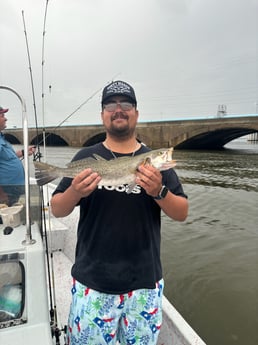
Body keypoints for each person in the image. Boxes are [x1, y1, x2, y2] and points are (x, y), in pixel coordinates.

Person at [51, 80, 188, 345]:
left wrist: (159, 191)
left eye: (126, 104)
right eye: (110, 105)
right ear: (103, 114)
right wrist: (76, 191)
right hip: (93, 281)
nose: (118, 109)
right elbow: (58, 208)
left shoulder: (155, 163)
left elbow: (181, 212)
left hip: (145, 283)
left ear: (136, 112)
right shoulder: (88, 157)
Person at [0, 106, 36, 206]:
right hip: (5, 192)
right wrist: (1, 194)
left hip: (12, 190)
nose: (5, 118)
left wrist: (23, 152)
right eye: (2, 115)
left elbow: (6, 158)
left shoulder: (1, 138)